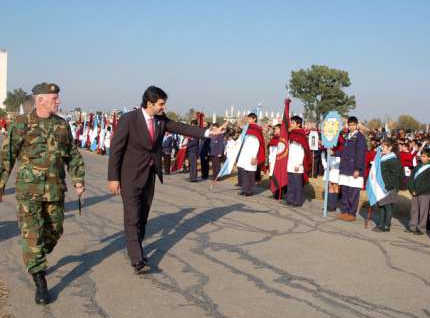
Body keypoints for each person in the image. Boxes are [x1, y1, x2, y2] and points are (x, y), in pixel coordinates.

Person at [108, 86, 223, 273]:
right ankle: (137, 259)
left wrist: (208, 133)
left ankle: (136, 247)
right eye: (161, 104)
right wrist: (113, 178)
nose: (164, 107)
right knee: (132, 217)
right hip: (129, 176)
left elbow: (181, 127)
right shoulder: (129, 119)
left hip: (149, 175)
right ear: (149, 103)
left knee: (143, 217)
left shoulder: (161, 121)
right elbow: (116, 149)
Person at [0, 82, 85, 304]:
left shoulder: (61, 125)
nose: (58, 101)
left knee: (55, 231)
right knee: (32, 235)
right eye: (54, 98)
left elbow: (72, 154)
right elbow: (6, 156)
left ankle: (36, 254)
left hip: (55, 190)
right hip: (29, 192)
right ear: (40, 100)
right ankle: (40, 281)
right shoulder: (21, 124)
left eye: (58, 97)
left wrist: (78, 179)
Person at [335, 116, 366, 222]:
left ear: (357, 125)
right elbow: (344, 151)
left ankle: (351, 213)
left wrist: (357, 169)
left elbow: (360, 154)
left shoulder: (360, 137)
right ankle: (345, 211)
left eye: (353, 124)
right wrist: (334, 153)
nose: (351, 126)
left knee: (353, 193)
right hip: (345, 167)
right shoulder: (347, 136)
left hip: (354, 169)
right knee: (345, 191)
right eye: (350, 124)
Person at [371, 138, 402, 232]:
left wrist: (388, 186)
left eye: (383, 146)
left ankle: (386, 225)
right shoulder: (382, 158)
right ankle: (380, 224)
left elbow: (395, 175)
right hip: (381, 186)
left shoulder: (392, 159)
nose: (381, 148)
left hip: (389, 187)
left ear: (390, 147)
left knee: (387, 206)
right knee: (381, 206)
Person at [407, 148, 430, 235]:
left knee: (423, 211)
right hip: (414, 192)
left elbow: (429, 184)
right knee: (414, 209)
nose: (422, 158)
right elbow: (411, 178)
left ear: (429, 158)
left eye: (424, 156)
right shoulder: (417, 166)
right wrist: (412, 189)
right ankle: (413, 225)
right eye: (421, 156)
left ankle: (421, 228)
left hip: (424, 193)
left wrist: (418, 191)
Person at [285, 115, 312, 207]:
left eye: (293, 123)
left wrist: (299, 163)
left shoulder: (300, 134)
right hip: (290, 162)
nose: (291, 124)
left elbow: (302, 151)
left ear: (298, 124)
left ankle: (297, 200)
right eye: (291, 122)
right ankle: (290, 199)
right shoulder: (292, 133)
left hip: (297, 163)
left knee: (297, 183)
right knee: (290, 182)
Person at [236, 113, 265, 196]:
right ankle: (244, 189)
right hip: (245, 154)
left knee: (250, 173)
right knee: (244, 172)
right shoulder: (248, 129)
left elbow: (256, 143)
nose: (248, 120)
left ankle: (249, 190)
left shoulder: (256, 129)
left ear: (254, 119)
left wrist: (254, 156)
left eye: (249, 119)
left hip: (251, 155)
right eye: (247, 119)